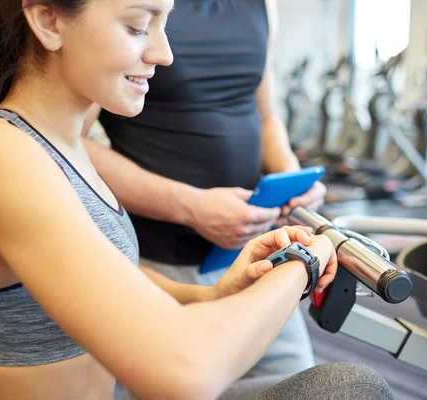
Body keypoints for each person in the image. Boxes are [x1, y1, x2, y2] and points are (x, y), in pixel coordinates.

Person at [0, 1, 395, 400]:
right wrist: (305, 262)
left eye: (164, 25)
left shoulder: (62, 147)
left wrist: (207, 295)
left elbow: (101, 269)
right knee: (352, 388)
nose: (164, 53)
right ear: (49, 21)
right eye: (139, 26)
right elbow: (186, 375)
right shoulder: (0, 154)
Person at [82, 0, 326, 379]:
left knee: (301, 382)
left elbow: (266, 116)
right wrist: (191, 207)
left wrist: (291, 178)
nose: (160, 50)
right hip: (164, 257)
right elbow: (73, 142)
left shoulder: (262, 6)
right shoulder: (138, 7)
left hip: (253, 247)